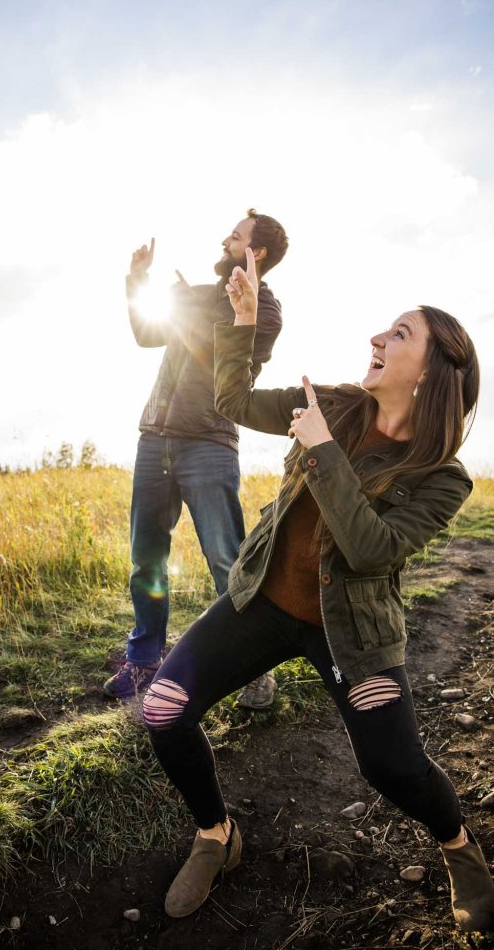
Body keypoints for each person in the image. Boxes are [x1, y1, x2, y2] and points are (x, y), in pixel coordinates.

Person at [141, 248, 494, 933]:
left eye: (400, 334)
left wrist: (325, 450)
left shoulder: (442, 476)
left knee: (394, 769)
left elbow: (370, 550)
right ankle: (217, 834)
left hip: (351, 633)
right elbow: (233, 399)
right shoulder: (330, 402)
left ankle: (459, 846)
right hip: (262, 603)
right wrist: (242, 323)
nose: (377, 338)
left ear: (434, 372)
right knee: (163, 709)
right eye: (385, 328)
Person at [104, 211, 288, 708]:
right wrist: (138, 280)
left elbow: (232, 356)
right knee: (146, 558)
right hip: (154, 438)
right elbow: (147, 334)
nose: (225, 239)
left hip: (208, 441)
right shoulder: (203, 295)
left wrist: (201, 304)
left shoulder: (264, 309)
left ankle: (254, 667)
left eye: (236, 236)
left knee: (227, 560)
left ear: (257, 253)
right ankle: (143, 659)